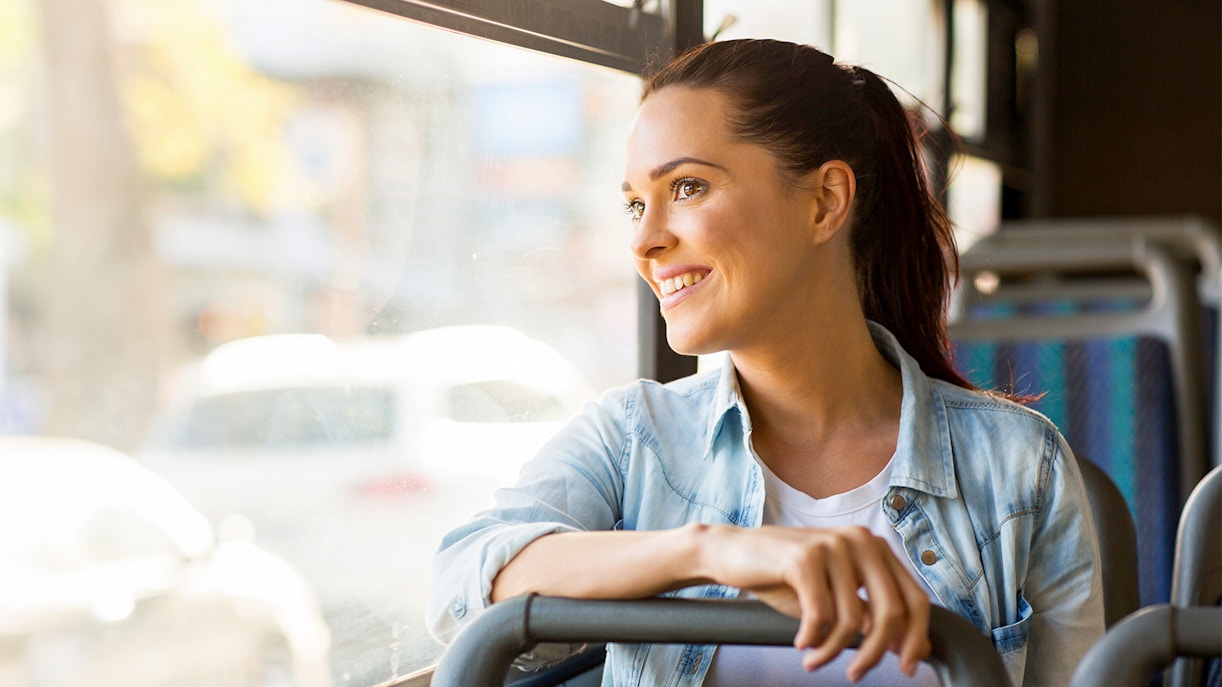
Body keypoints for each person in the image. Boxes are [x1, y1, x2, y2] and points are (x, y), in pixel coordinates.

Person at [428, 38, 1103, 687]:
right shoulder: (636, 437)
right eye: (636, 203)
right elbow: (465, 580)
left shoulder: (1020, 468)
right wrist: (708, 550)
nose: (644, 239)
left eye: (686, 187)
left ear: (824, 201)